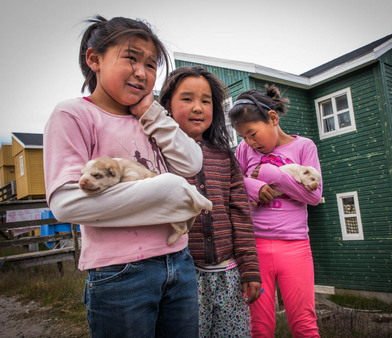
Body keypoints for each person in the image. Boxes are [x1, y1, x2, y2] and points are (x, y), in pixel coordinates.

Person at [43, 16, 213, 337]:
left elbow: (191, 163)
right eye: (131, 58)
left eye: (151, 65)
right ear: (94, 59)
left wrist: (152, 114)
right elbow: (67, 202)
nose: (142, 72)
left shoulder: (150, 118)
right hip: (120, 272)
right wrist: (165, 191)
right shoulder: (74, 115)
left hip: (179, 259)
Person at [159, 66, 262, 337]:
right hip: (183, 277)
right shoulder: (158, 154)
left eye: (206, 101)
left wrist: (250, 269)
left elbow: (240, 213)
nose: (198, 107)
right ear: (167, 104)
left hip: (229, 275)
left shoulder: (224, 156)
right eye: (187, 98)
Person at [228, 84, 322, 337]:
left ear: (272, 118)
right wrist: (252, 186)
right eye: (244, 137)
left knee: (304, 323)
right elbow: (232, 185)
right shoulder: (244, 151)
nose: (249, 142)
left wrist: (273, 175)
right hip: (254, 248)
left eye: (252, 133)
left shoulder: (304, 147)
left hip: (295, 247)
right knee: (259, 326)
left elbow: (314, 196)